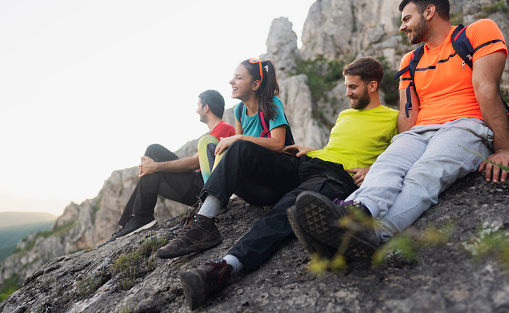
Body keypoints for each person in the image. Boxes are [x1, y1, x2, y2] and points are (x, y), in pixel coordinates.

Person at [291, 0, 509, 265]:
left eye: (407, 19)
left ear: (429, 12)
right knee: (388, 167)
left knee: (424, 173)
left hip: (465, 126)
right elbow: (409, 114)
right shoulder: (410, 60)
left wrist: (503, 148)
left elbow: (486, 89)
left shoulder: (477, 32)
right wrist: (386, 158)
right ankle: (353, 216)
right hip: (419, 132)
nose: (402, 27)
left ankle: (370, 236)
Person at [176, 57, 399, 310]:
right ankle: (204, 222)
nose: (347, 93)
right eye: (346, 86)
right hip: (306, 162)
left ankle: (225, 267)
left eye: (352, 87)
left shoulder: (392, 119)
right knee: (239, 148)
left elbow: (402, 156)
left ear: (372, 86)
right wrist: (313, 149)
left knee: (287, 209)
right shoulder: (345, 115)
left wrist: (372, 169)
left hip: (334, 177)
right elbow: (337, 148)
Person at [156, 58, 293, 259]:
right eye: (232, 77)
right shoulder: (239, 110)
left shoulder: (271, 103)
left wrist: (239, 137)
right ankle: (207, 211)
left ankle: (203, 223)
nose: (231, 81)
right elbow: (234, 152)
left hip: (279, 181)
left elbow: (278, 144)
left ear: (255, 85)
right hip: (257, 190)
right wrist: (234, 141)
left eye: (238, 78)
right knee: (212, 144)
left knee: (236, 145)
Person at [103, 90, 235, 244]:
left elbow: (194, 163)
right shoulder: (214, 131)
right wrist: (152, 168)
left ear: (206, 108)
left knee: (154, 150)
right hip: (198, 188)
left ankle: (141, 218)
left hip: (205, 188)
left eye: (198, 105)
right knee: (152, 179)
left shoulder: (223, 128)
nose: (196, 109)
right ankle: (132, 222)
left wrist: (156, 166)